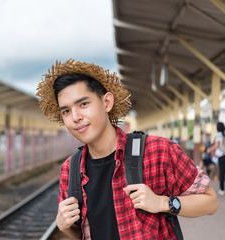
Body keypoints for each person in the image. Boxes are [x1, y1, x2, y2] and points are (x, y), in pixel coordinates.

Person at [36, 59, 218, 239]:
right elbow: (83, 234)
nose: (75, 117)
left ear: (107, 102)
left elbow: (210, 202)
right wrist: (63, 225)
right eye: (66, 111)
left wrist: (163, 202)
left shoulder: (158, 151)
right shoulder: (70, 169)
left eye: (83, 104)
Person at [206, 122, 225, 195]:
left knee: (222, 173)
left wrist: (209, 150)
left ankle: (222, 189)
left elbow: (216, 145)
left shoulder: (218, 135)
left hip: (221, 156)